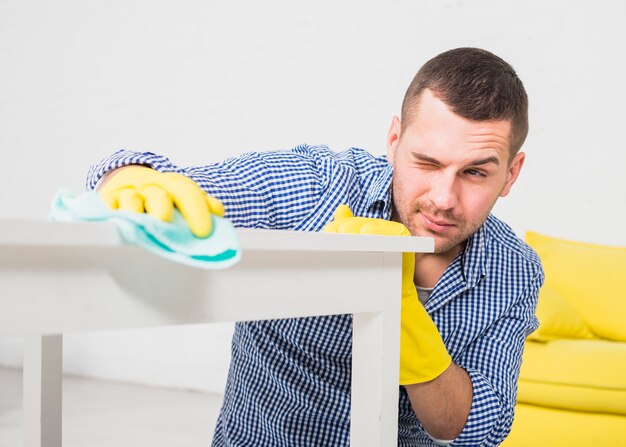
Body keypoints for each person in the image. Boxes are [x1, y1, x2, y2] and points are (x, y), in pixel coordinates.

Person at [89, 47, 543, 446]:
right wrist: (130, 177)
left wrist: (400, 312)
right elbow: (188, 185)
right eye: (426, 161)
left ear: (511, 173)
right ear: (393, 140)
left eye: (476, 173)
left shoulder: (514, 270)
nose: (444, 199)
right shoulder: (320, 188)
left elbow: (473, 427)